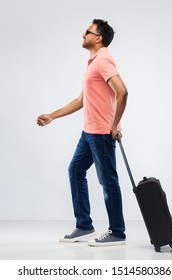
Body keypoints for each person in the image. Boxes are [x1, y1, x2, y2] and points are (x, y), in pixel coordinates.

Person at [37, 19, 128, 247]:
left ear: (98, 38)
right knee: (75, 170)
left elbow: (123, 92)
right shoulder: (93, 62)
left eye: (87, 32)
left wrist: (115, 124)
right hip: (88, 132)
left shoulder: (104, 60)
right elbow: (80, 101)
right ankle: (84, 225)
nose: (83, 34)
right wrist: (52, 115)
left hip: (101, 133)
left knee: (108, 181)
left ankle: (117, 232)